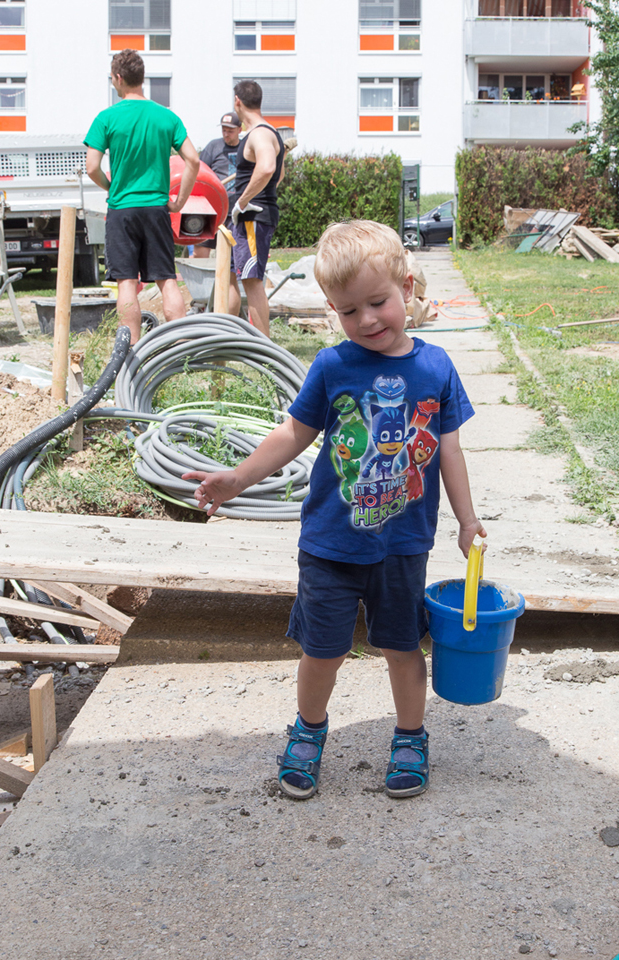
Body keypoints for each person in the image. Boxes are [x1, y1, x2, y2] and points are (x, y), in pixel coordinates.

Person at [184, 220, 486, 801]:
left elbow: (449, 449)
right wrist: (238, 477)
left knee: (402, 646)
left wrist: (467, 520)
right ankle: (309, 731)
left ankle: (410, 737)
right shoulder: (332, 366)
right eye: (350, 311)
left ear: (407, 285)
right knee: (321, 649)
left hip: (403, 546)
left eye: (378, 302)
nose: (368, 320)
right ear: (332, 310)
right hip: (330, 544)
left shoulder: (437, 367)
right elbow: (294, 433)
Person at [85, 49, 200, 344]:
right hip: (157, 208)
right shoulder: (166, 117)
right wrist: (179, 202)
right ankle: (182, 349)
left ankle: (131, 355)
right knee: (167, 279)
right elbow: (194, 160)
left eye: (112, 78)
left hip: (122, 210)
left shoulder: (106, 118)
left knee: (126, 281)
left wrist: (111, 187)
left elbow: (92, 166)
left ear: (119, 78)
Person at [229, 80, 287, 338]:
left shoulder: (260, 134)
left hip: (253, 215)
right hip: (251, 215)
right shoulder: (268, 133)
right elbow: (279, 175)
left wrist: (242, 202)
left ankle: (265, 351)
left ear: (237, 101)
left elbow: (267, 169)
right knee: (237, 277)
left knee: (252, 282)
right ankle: (229, 336)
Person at [193, 110, 243, 283]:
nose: (226, 134)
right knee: (200, 253)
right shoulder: (213, 147)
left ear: (239, 129)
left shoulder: (246, 149)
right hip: (211, 211)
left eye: (230, 130)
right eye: (223, 129)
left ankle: (226, 291)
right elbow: (199, 173)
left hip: (235, 214)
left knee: (233, 258)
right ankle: (200, 291)